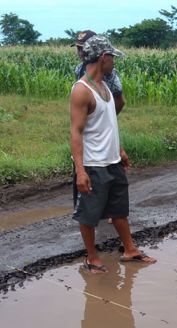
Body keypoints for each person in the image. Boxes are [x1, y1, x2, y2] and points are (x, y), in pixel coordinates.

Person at [70, 35, 156, 274]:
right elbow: (76, 133)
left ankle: (130, 249)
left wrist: (119, 150)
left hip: (112, 161)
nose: (114, 62)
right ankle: (92, 257)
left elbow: (107, 125)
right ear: (103, 58)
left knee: (119, 209)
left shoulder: (105, 85)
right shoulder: (81, 90)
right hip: (92, 164)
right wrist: (80, 171)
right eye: (112, 58)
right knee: (88, 214)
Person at [72, 30, 126, 212]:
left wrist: (104, 119)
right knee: (88, 207)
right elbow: (77, 128)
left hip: (104, 146)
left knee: (112, 201)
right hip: (91, 153)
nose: (80, 53)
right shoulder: (80, 72)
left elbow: (119, 102)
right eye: (78, 49)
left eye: (83, 49)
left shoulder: (109, 78)